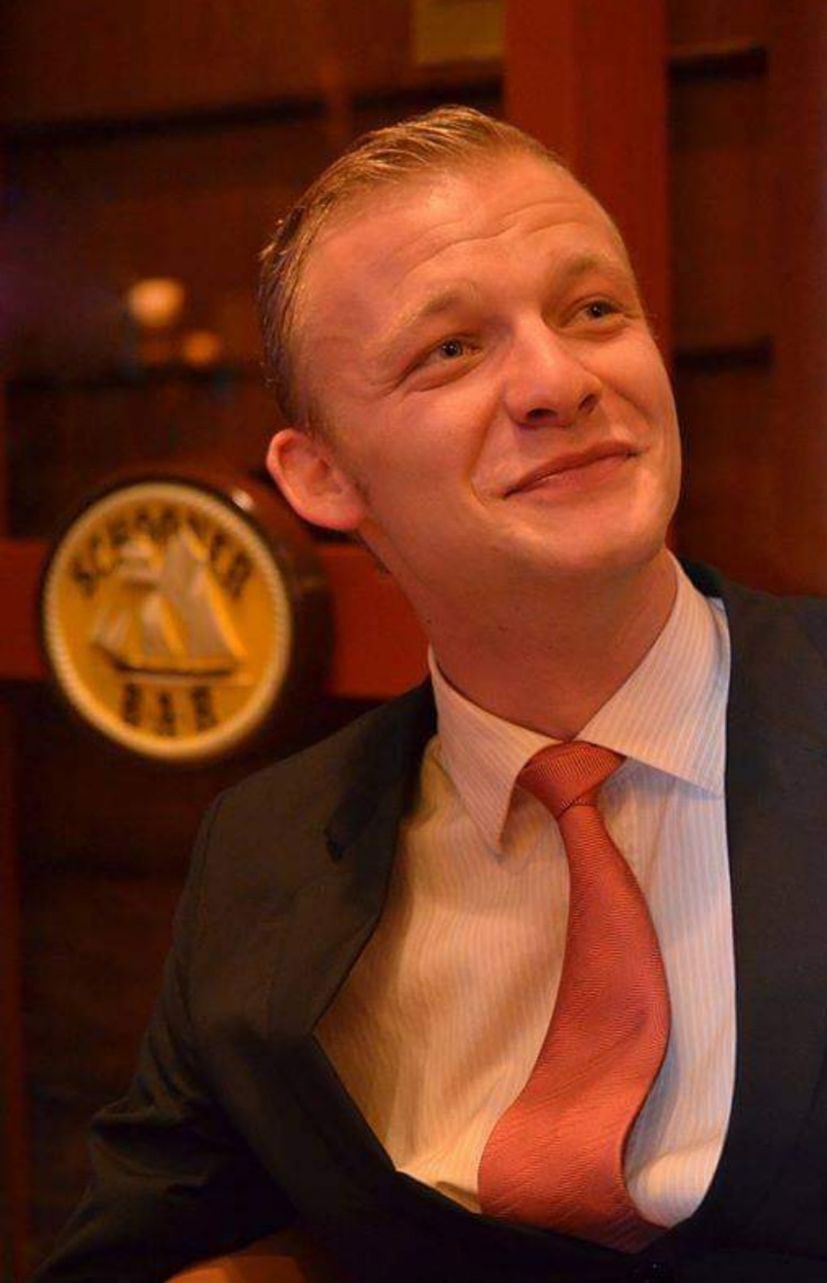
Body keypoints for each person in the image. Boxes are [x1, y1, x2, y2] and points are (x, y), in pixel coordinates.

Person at [34, 107, 827, 1283]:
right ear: (323, 476)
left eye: (592, 310)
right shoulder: (268, 853)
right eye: (450, 349)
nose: (557, 380)